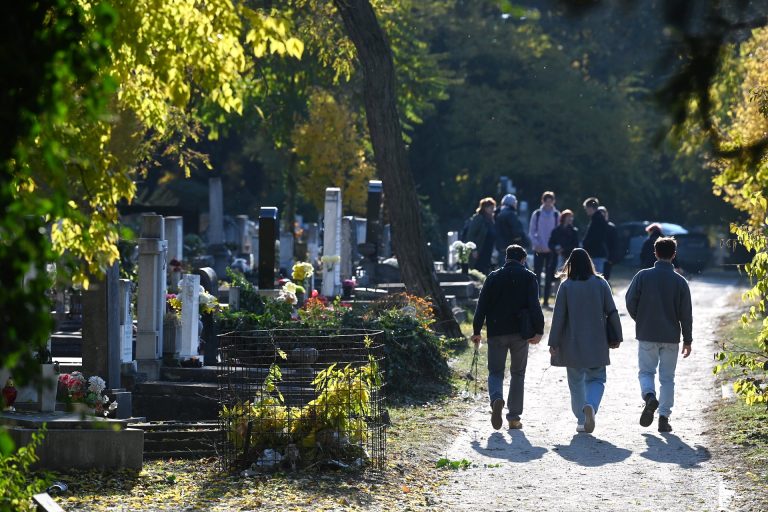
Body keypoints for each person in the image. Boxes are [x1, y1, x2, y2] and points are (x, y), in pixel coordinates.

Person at [548, 248, 622, 433]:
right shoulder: (600, 283)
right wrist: (617, 336)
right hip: (597, 341)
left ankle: (582, 419)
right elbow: (611, 311)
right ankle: (591, 406)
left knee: (575, 383)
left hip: (571, 342)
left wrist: (553, 342)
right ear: (590, 263)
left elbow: (558, 316)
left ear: (570, 265)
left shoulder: (565, 286)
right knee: (597, 378)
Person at [472, 244, 544, 430]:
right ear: (523, 260)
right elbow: (534, 305)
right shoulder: (529, 277)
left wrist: (477, 330)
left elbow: (482, 306)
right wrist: (539, 330)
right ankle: (513, 418)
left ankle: (497, 398)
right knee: (517, 373)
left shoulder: (493, 277)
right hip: (521, 332)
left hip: (496, 331)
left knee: (495, 372)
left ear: (506, 258)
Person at [625, 236, 693, 433]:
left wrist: (641, 318)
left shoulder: (642, 276)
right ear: (674, 255)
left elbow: (630, 301)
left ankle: (649, 397)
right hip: (671, 336)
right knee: (667, 378)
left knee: (646, 372)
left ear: (655, 253)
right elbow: (685, 314)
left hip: (647, 333)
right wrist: (687, 339)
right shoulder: (680, 282)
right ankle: (664, 417)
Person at [528, 191, 560, 307]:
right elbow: (531, 232)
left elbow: (559, 232)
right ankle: (536, 299)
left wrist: (555, 246)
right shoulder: (536, 214)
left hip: (551, 250)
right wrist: (536, 244)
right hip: (539, 249)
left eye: (550, 202)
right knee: (536, 274)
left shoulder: (557, 215)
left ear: (553, 202)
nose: (548, 204)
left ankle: (546, 300)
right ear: (543, 201)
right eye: (546, 202)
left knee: (549, 276)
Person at [466, 197, 497, 275]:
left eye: (493, 207)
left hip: (488, 251)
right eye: (490, 207)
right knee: (479, 270)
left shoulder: (491, 219)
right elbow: (471, 235)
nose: (493, 209)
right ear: (485, 208)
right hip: (480, 250)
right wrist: (474, 250)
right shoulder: (479, 218)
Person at [581, 197, 609, 273]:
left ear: (590, 208)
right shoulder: (598, 218)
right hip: (596, 253)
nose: (586, 210)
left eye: (586, 208)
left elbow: (596, 237)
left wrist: (585, 244)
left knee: (596, 279)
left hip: (596, 254)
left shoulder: (597, 220)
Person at [598, 206, 620, 281]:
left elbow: (615, 244)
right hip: (597, 256)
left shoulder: (611, 227)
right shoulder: (594, 227)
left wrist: (612, 258)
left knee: (605, 277)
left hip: (607, 258)